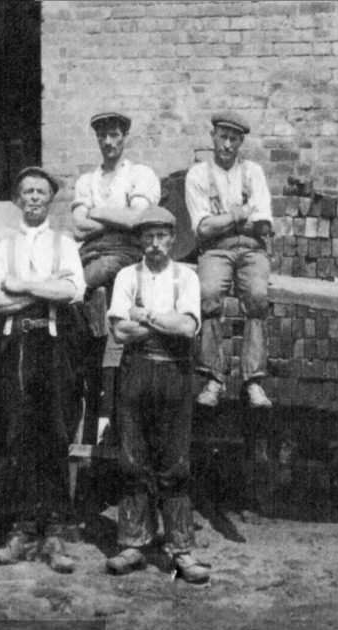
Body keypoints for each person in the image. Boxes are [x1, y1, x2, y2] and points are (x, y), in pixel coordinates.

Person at [0, 167, 86, 574]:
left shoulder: (66, 244)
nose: (35, 197)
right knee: (18, 435)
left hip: (55, 342)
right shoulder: (3, 247)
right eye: (28, 191)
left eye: (42, 191)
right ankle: (22, 531)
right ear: (18, 199)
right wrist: (41, 289)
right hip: (16, 344)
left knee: (56, 432)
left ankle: (56, 533)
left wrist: (21, 285)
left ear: (51, 199)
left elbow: (72, 291)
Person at [104, 205, 210, 584]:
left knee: (175, 462)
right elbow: (119, 332)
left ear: (173, 238)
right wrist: (162, 321)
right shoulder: (125, 276)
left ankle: (181, 551)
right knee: (133, 457)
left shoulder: (187, 277)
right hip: (135, 370)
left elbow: (186, 328)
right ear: (139, 241)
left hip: (174, 372)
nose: (154, 244)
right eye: (147, 237)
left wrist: (144, 316)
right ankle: (133, 543)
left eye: (161, 235)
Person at [70, 112, 161, 444]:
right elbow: (76, 228)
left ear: (125, 137)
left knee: (80, 284)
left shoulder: (140, 174)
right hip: (90, 250)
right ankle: (83, 383)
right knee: (80, 294)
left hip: (125, 253)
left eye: (114, 135)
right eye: (103, 136)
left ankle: (121, 422)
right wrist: (114, 217)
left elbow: (137, 219)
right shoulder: (86, 181)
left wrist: (93, 212)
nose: (109, 142)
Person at [185, 111, 273, 408]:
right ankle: (214, 378)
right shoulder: (197, 175)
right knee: (208, 294)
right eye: (222, 137)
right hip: (215, 249)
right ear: (213, 137)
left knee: (258, 297)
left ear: (240, 142)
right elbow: (202, 228)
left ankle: (253, 381)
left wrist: (221, 219)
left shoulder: (253, 172)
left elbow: (262, 226)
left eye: (233, 139)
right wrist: (238, 214)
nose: (227, 145)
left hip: (252, 249)